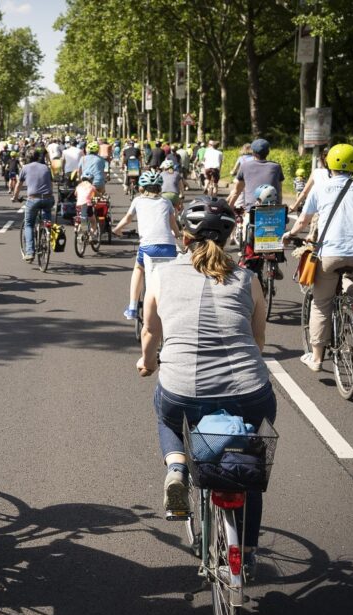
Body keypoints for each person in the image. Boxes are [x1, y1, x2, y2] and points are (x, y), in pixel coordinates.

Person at [138, 195, 273, 578]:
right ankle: (245, 554)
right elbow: (258, 338)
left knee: (166, 415)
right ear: (230, 238)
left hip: (183, 388)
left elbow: (150, 331)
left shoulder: (161, 275)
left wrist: (147, 363)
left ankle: (177, 467)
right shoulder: (248, 279)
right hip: (249, 389)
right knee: (248, 461)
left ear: (184, 238)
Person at [285, 143, 353, 372]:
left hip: (331, 253)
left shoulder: (321, 187)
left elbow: (304, 220)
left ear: (327, 163)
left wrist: (291, 234)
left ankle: (316, 358)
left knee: (321, 303)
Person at [113, 169, 181, 320]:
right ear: (159, 188)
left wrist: (117, 230)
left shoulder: (138, 201)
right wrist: (178, 234)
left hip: (148, 247)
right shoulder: (166, 202)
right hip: (168, 247)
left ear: (142, 188)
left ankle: (132, 307)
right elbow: (174, 227)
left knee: (138, 268)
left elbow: (127, 219)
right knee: (169, 275)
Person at [12, 149, 55, 262]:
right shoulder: (46, 167)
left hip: (33, 199)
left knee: (29, 224)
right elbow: (51, 184)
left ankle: (30, 252)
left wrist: (15, 197)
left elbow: (18, 185)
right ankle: (47, 232)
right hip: (48, 198)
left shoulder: (25, 168)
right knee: (47, 219)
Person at [75, 173, 98, 238]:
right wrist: (103, 197)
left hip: (78, 205)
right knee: (93, 221)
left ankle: (78, 226)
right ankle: (91, 235)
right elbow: (97, 194)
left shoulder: (78, 186)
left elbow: (75, 194)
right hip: (87, 205)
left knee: (81, 217)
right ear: (91, 180)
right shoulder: (91, 186)